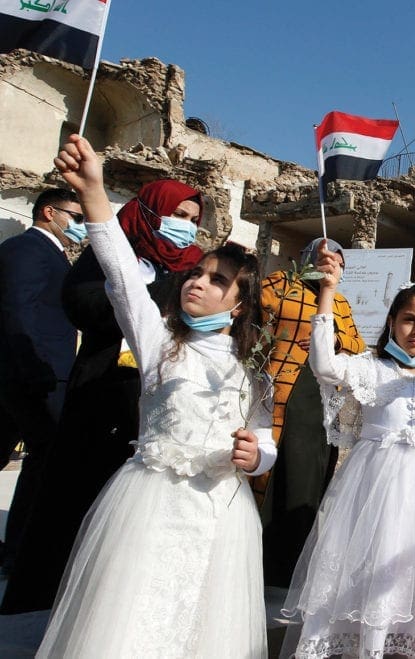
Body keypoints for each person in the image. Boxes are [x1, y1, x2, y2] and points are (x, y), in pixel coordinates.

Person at [38, 134, 277, 657]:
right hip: (148, 505)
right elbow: (122, 276)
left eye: (217, 280)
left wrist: (257, 456)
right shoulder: (159, 340)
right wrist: (96, 193)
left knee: (198, 620)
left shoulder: (251, 372)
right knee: (132, 617)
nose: (198, 281)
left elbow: (264, 438)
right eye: (195, 272)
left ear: (239, 305)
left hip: (217, 515)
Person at [1, 174, 207, 614]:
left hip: (158, 400)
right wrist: (143, 300)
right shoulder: (112, 250)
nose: (185, 225)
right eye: (177, 215)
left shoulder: (193, 264)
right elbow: (79, 301)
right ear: (152, 210)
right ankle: (44, 598)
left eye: (192, 218)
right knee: (74, 495)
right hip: (103, 387)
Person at [281, 248, 415, 659]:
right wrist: (328, 293)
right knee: (363, 577)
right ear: (392, 323)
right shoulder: (370, 368)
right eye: (409, 319)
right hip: (371, 494)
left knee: (410, 581)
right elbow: (323, 365)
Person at [255, 238, 365, 588]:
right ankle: (260, 561)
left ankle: (291, 567)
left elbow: (357, 344)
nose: (332, 266)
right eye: (324, 258)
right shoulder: (280, 286)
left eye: (338, 262)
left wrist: (335, 341)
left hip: (321, 401)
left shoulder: (342, 303)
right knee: (274, 473)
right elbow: (256, 320)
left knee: (309, 478)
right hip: (283, 392)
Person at [0, 188, 82, 571]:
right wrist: (36, 370)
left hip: (33, 375)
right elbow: (19, 313)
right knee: (42, 462)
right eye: (76, 217)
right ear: (49, 212)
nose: (80, 226)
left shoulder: (51, 254)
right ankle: (18, 552)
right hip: (32, 377)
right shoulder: (29, 250)